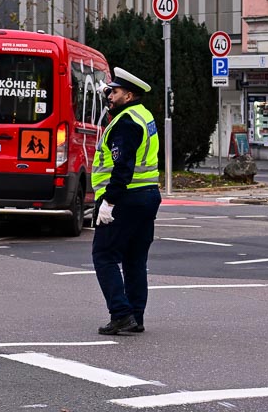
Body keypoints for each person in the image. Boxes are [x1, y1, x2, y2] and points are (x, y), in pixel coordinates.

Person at [91, 67, 162, 336]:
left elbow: (123, 166)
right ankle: (135, 315)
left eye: (115, 91)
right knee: (134, 258)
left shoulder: (125, 123)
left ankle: (121, 314)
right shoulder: (143, 115)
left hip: (125, 198)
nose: (110, 95)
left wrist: (109, 201)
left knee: (104, 256)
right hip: (147, 196)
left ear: (129, 94)